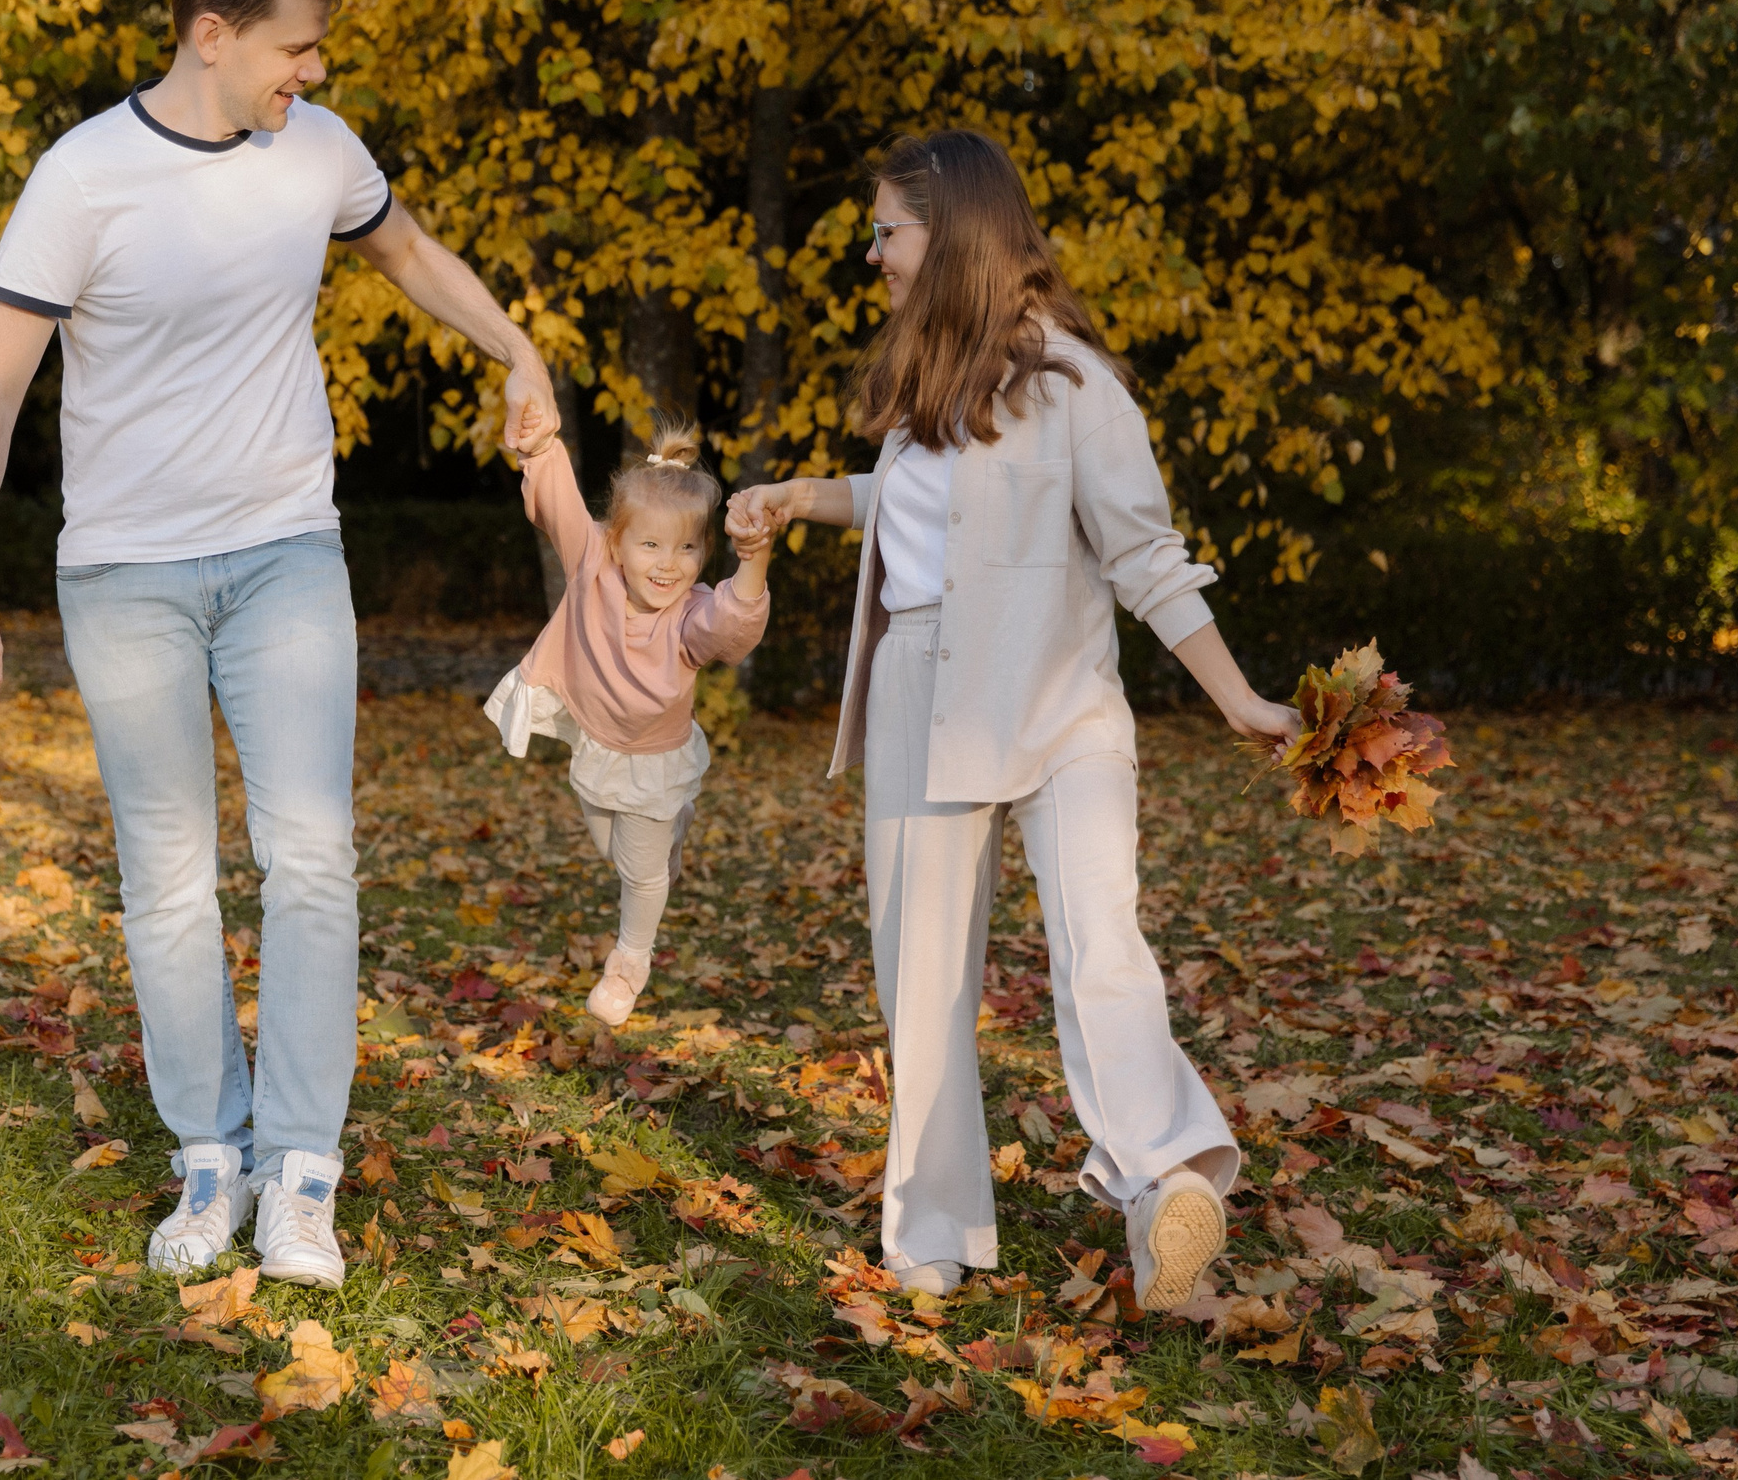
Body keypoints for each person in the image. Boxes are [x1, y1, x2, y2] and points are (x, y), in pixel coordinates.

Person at [0, 0, 561, 1290]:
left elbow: (410, 255)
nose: (313, 69)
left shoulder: (317, 151)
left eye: (318, 46)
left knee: (313, 858)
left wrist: (516, 345)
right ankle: (210, 1161)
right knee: (167, 877)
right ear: (211, 35)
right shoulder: (83, 178)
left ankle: (302, 1175)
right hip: (126, 576)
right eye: (295, 45)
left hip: (285, 552)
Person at [726, 129, 1300, 1311]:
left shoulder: (1076, 384)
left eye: (887, 230)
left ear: (955, 232)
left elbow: (1146, 556)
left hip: (1060, 695)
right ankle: (931, 1223)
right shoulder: (933, 373)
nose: (873, 255)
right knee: (921, 974)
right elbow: (938, 505)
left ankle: (1168, 1185)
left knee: (1104, 946)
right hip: (922, 687)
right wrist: (810, 497)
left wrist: (1234, 694)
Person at [483, 417, 774, 1026]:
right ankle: (669, 835)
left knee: (640, 876)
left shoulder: (691, 615)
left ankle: (628, 964)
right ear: (615, 542)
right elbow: (558, 501)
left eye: (687, 548)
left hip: (655, 759)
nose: (668, 565)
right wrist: (537, 441)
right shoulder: (592, 564)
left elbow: (731, 628)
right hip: (598, 742)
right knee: (615, 854)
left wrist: (753, 561)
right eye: (651, 545)